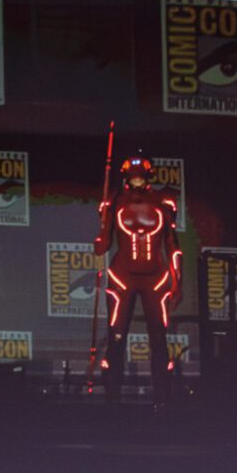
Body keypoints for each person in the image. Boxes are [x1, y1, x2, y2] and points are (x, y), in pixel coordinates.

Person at [95, 154, 182, 404]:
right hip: (122, 277)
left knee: (158, 338)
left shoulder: (163, 201)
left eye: (140, 176)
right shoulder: (114, 201)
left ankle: (162, 397)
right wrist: (100, 238)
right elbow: (103, 242)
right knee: (117, 336)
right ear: (125, 176)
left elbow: (172, 245)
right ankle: (112, 397)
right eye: (132, 176)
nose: (136, 180)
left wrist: (177, 280)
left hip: (155, 277)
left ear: (147, 176)